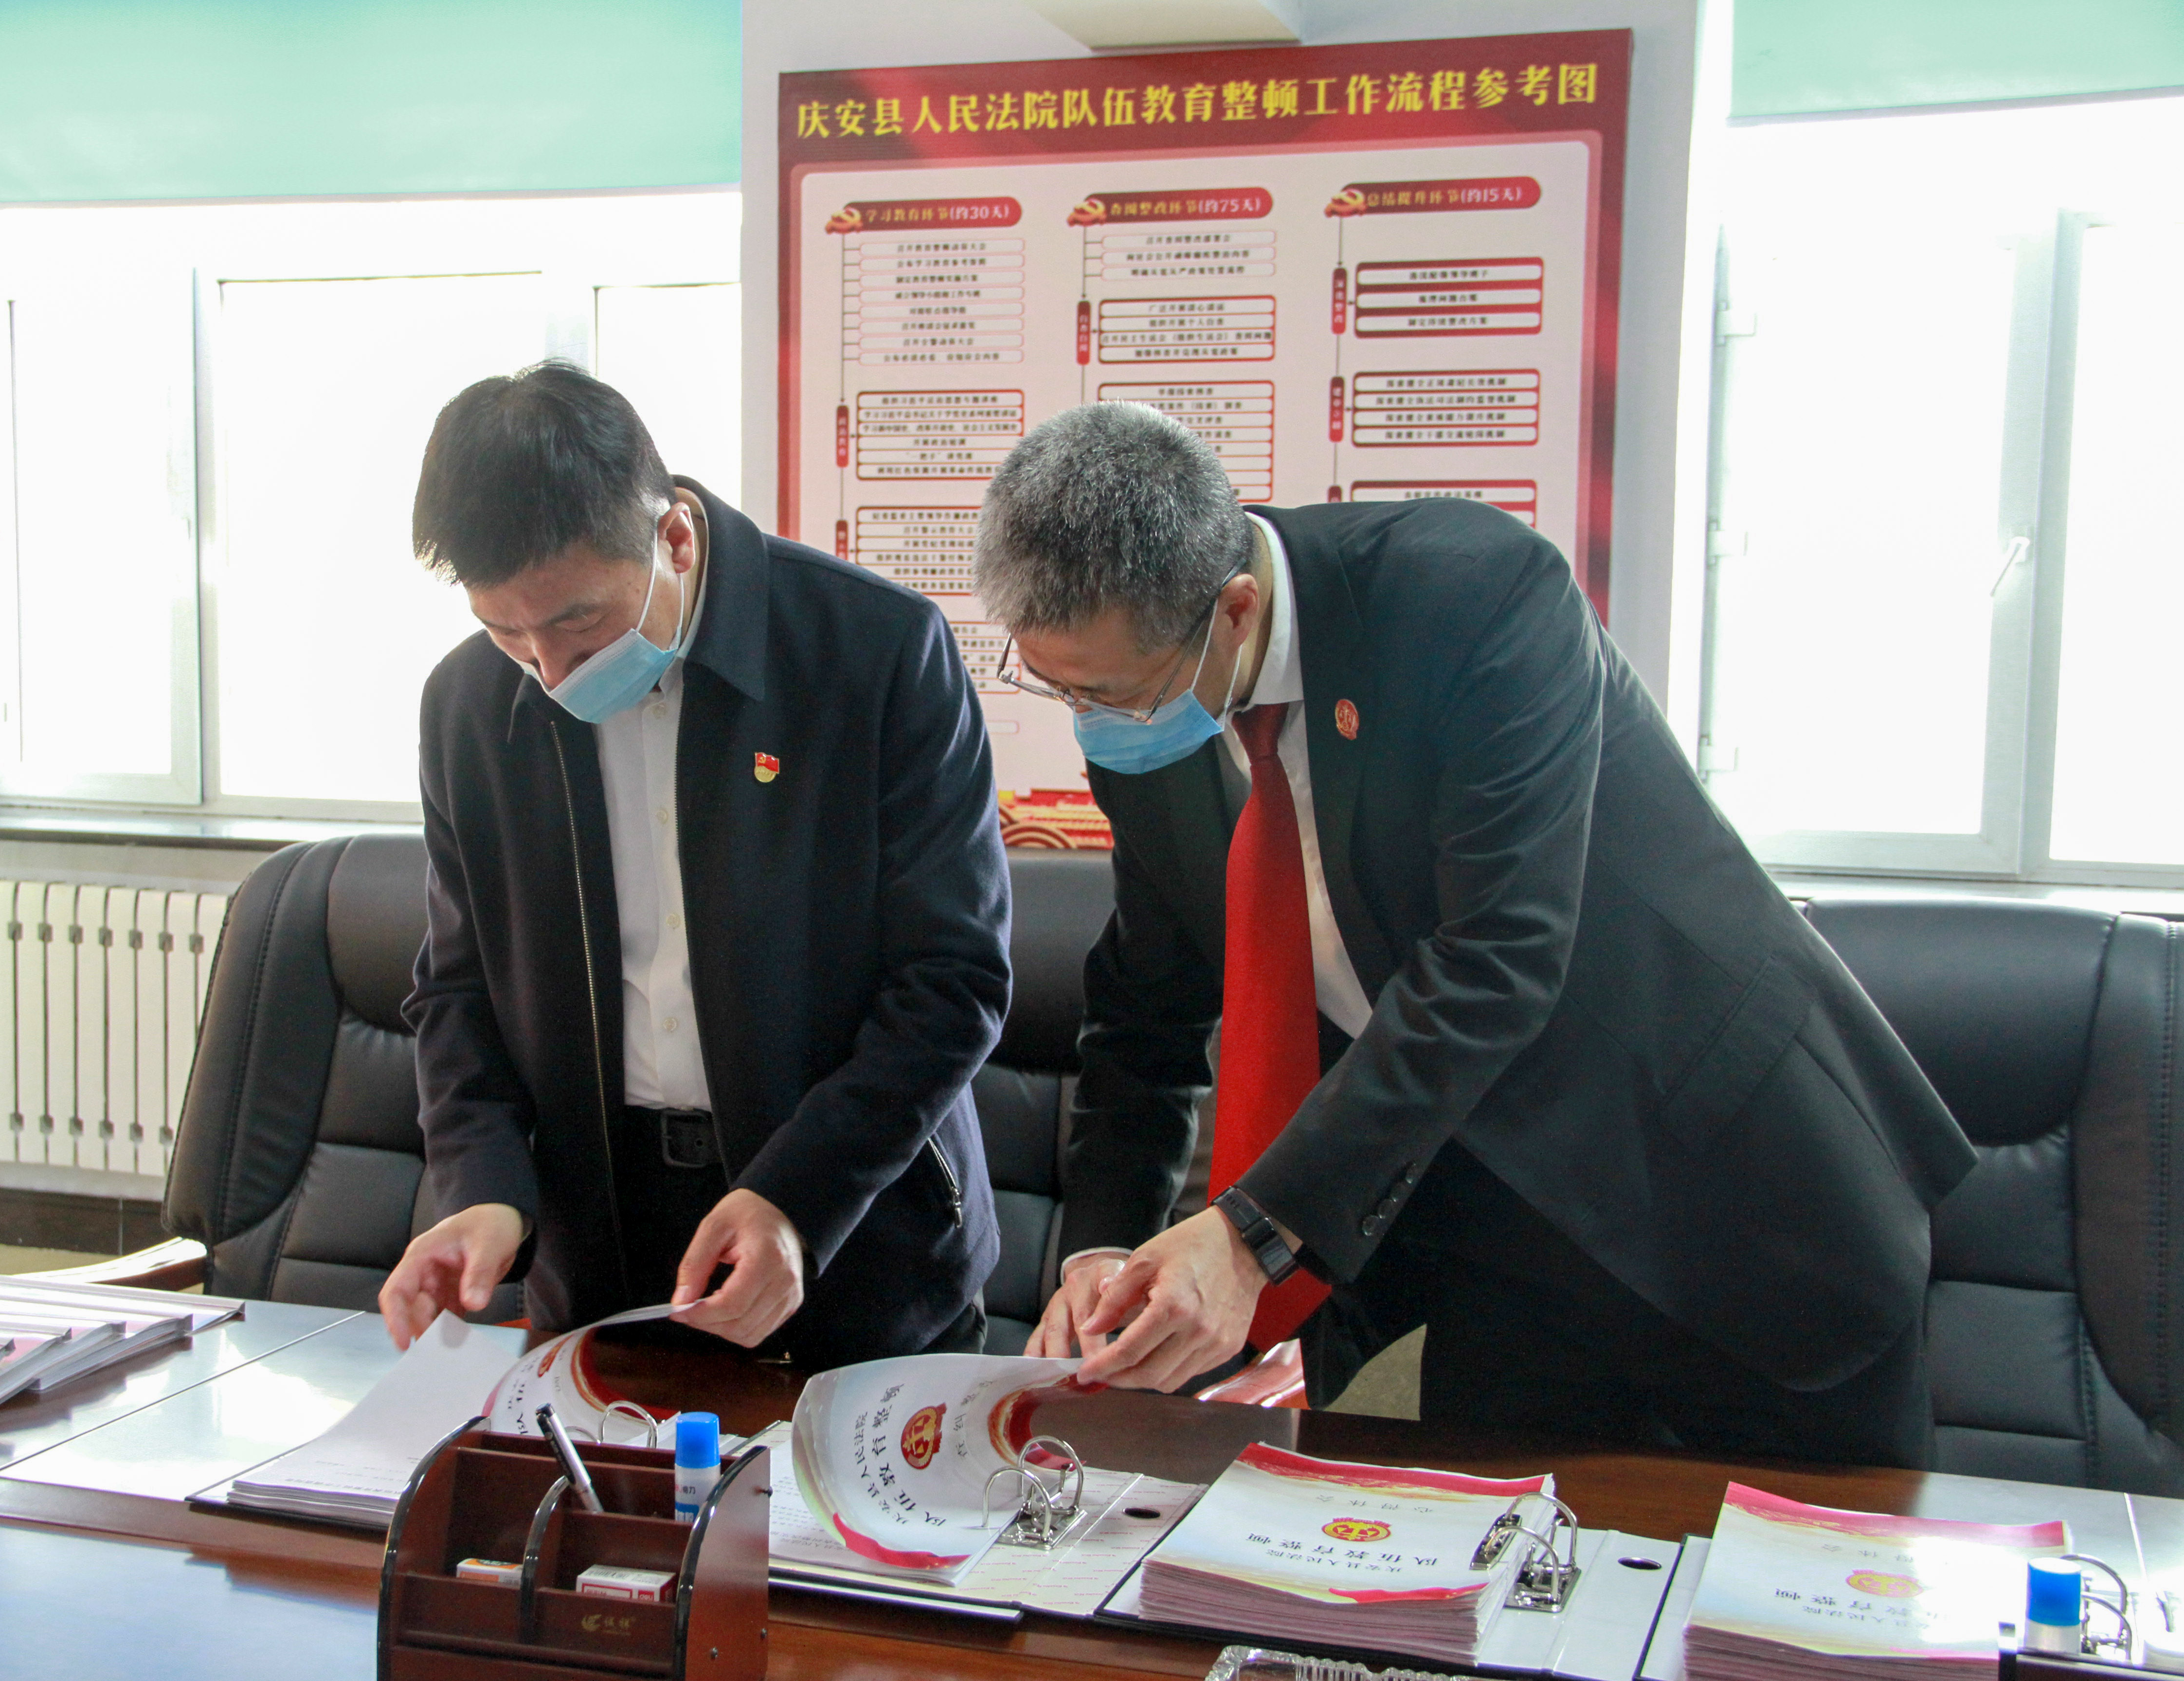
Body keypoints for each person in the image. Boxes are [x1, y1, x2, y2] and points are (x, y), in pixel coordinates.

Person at [972, 402, 1975, 1465]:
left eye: (1113, 694)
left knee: (1806, 1567)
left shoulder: (1471, 593)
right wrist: (1102, 1251)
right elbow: (1146, 1009)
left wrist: (1250, 1235)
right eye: (1058, 687)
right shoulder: (1141, 716)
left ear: (1236, 610)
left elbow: (1497, 959)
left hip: (1728, 1200)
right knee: (1490, 1556)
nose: (1092, 722)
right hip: (1484, 1250)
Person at [380, 362, 1008, 1367]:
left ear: (673, 537)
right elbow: (458, 988)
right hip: (603, 1245)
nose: (551, 672)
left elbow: (954, 979)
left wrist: (798, 1197)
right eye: (507, 632)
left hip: (853, 1224)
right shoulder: (468, 708)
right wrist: (482, 1188)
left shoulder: (873, 651)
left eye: (579, 622)